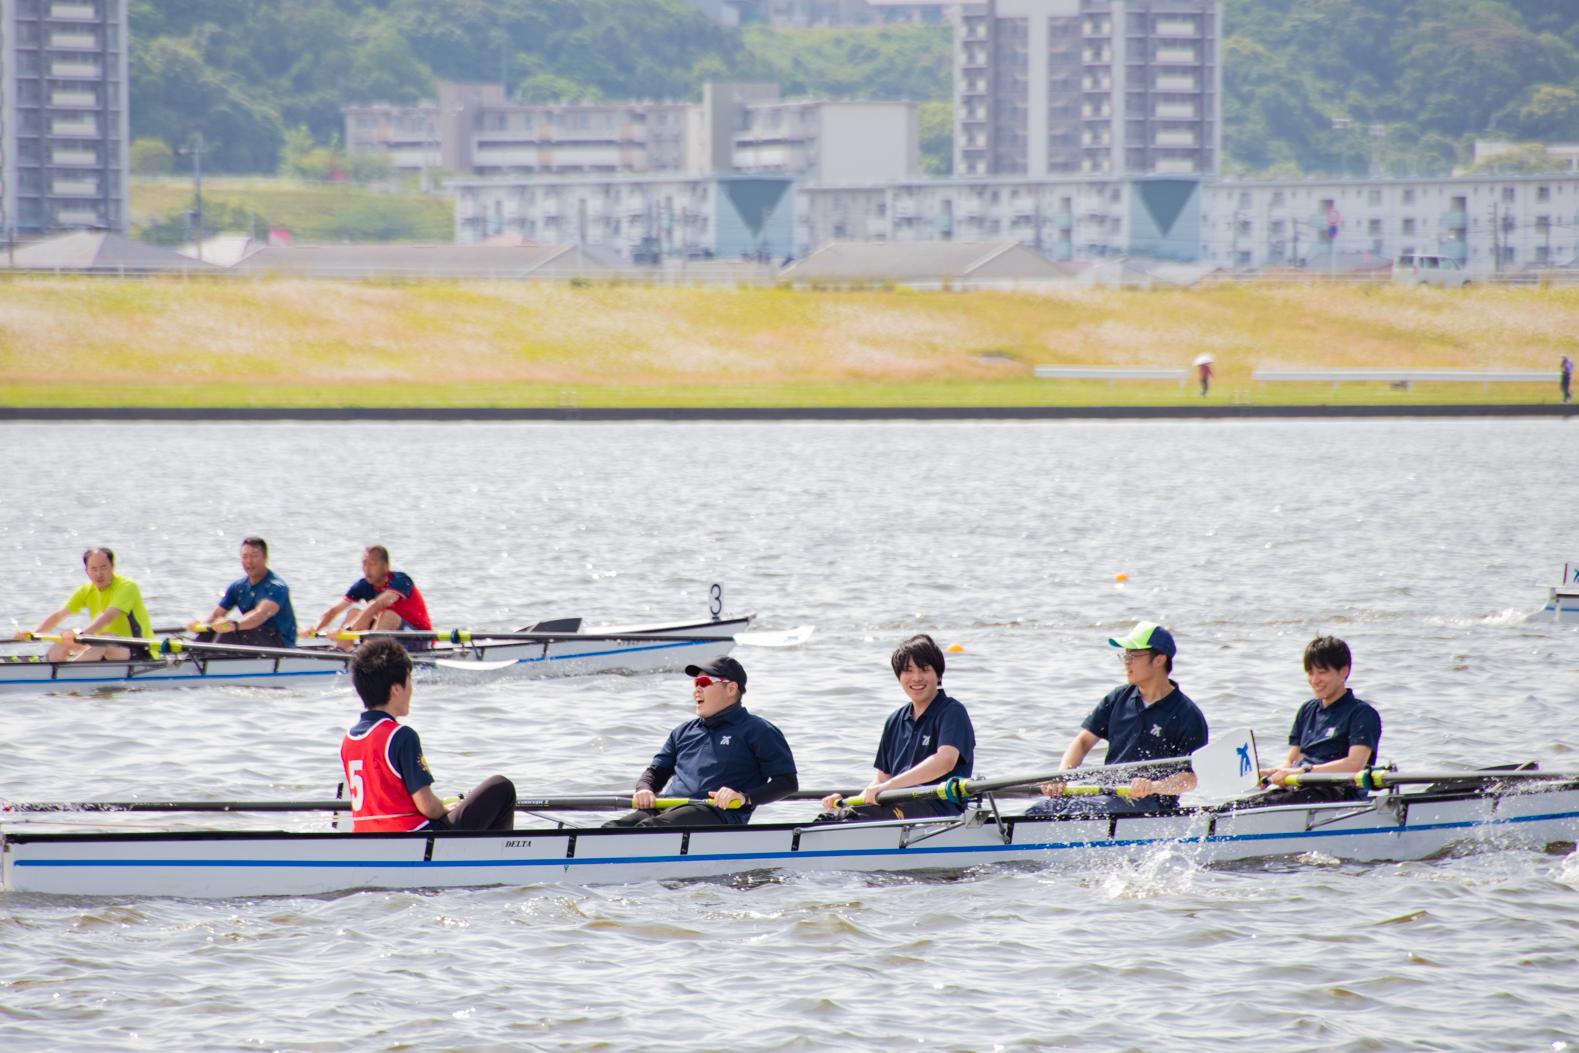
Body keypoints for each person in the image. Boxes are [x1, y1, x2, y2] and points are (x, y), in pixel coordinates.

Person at [1025, 621, 1208, 816]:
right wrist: (1060, 776)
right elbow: (1083, 742)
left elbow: (1190, 778)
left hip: (1149, 803)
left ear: (1159, 660)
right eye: (1125, 656)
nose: (1126, 662)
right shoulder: (1117, 698)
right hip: (1107, 791)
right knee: (1041, 810)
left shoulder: (1187, 715)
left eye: (1133, 656)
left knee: (1078, 811)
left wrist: (1153, 786)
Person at [340, 638, 516, 832]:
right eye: (410, 680)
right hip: (414, 837)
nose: (412, 689)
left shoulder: (349, 739)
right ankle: (499, 855)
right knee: (501, 787)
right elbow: (428, 807)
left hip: (370, 837)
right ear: (396, 690)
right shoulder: (401, 736)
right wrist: (447, 808)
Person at [605, 656, 798, 828]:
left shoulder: (759, 731)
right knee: (612, 828)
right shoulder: (682, 732)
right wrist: (644, 790)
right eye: (696, 682)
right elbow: (656, 772)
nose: (697, 689)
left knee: (649, 828)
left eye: (704, 682)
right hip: (669, 808)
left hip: (717, 813)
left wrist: (744, 797)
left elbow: (787, 783)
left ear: (731, 689)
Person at [818, 634, 976, 822]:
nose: (916, 678)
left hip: (937, 810)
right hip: (895, 804)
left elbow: (945, 761)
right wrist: (848, 803)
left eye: (924, 669)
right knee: (832, 818)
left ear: (939, 674)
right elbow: (882, 780)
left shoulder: (952, 712)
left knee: (853, 819)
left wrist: (889, 787)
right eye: (908, 671)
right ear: (899, 676)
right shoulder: (894, 720)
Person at [1254, 635, 1381, 804]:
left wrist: (1303, 772)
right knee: (1230, 809)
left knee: (1258, 808)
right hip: (1302, 788)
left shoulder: (1362, 714)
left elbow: (1355, 764)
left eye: (1322, 672)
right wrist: (1274, 773)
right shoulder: (1307, 710)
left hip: (1339, 794)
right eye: (1310, 672)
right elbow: (1292, 760)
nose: (1315, 680)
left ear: (1344, 671)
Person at [16, 547, 153, 662]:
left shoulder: (127, 586)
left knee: (103, 638)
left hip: (139, 648)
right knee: (63, 640)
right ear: (86, 571)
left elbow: (109, 615)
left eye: (103, 568)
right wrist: (35, 633)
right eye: (93, 569)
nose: (99, 574)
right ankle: (52, 678)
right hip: (108, 647)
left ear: (112, 567)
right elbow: (59, 614)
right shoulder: (86, 591)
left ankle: (70, 677)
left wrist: (82, 634)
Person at [312, 545, 433, 650]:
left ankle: (365, 657)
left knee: (388, 615)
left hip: (418, 638)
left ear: (385, 566)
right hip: (390, 636)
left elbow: (376, 605)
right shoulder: (363, 585)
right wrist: (314, 630)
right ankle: (341, 652)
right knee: (353, 613)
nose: (367, 569)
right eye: (364, 563)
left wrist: (347, 631)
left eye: (372, 564)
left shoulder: (401, 580)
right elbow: (333, 611)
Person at [188, 536, 296, 649]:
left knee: (226, 633)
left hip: (280, 643)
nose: (249, 561)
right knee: (209, 632)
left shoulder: (277, 587)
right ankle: (194, 659)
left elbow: (260, 614)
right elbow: (216, 615)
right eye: (245, 557)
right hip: (254, 637)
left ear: (265, 558)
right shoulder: (237, 587)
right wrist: (200, 626)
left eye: (254, 556)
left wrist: (233, 625)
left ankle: (210, 662)